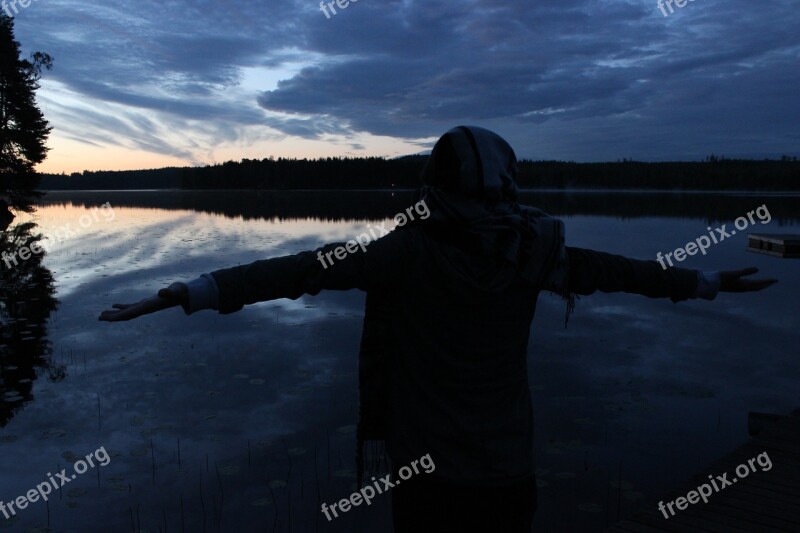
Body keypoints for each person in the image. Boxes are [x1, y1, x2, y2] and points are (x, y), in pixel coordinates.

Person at [99, 126, 777, 532]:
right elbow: (625, 272)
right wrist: (705, 281)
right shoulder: (536, 249)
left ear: (436, 184)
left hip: (429, 477)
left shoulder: (407, 250)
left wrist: (183, 291)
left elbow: (300, 270)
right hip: (508, 472)